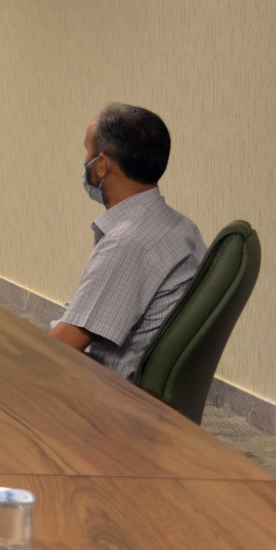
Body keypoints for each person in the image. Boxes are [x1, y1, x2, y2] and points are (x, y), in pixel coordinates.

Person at [49, 104, 205, 380]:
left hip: (104, 392)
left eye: (87, 151)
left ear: (101, 165)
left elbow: (60, 346)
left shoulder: (127, 243)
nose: (84, 161)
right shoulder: (182, 227)